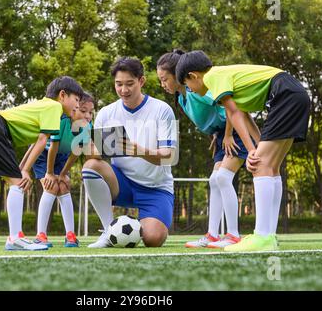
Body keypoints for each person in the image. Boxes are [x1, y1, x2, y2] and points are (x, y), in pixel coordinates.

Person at [176, 50, 310, 252]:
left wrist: (250, 151)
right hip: (294, 94)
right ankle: (270, 236)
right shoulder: (224, 77)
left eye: (188, 85)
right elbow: (245, 116)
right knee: (271, 167)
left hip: (284, 96)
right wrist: (255, 147)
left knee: (259, 166)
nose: (191, 90)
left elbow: (234, 113)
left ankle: (262, 236)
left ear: (193, 76)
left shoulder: (214, 77)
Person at [157, 50, 261, 248]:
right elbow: (210, 118)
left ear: (180, 75)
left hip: (235, 131)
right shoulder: (182, 98)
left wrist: (229, 134)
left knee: (222, 178)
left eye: (165, 79)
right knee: (214, 180)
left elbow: (232, 109)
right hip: (222, 135)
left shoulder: (200, 92)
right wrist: (216, 135)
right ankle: (212, 235)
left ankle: (233, 235)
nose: (163, 85)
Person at [0, 76, 82, 251]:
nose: (77, 105)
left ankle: (15, 236)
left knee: (17, 183)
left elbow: (34, 143)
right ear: (62, 95)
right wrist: (25, 170)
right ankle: (15, 238)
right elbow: (42, 140)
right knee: (19, 182)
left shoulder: (46, 107)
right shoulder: (54, 107)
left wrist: (22, 168)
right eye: (76, 100)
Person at [82, 57, 178, 248]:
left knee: (153, 238)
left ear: (141, 81)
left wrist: (139, 151)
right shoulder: (106, 113)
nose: (124, 90)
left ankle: (143, 223)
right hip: (122, 182)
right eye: (119, 84)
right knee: (91, 166)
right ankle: (108, 231)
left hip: (156, 188)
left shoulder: (162, 110)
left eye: (129, 84)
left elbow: (169, 156)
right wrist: (98, 150)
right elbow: (90, 152)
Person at [22, 93, 95, 248]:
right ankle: (40, 235)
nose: (88, 116)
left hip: (62, 157)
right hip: (44, 155)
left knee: (63, 186)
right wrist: (49, 173)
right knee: (52, 186)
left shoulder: (87, 127)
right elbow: (52, 148)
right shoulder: (61, 122)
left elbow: (75, 152)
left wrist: (63, 174)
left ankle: (70, 236)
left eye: (91, 112)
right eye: (83, 111)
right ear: (74, 109)